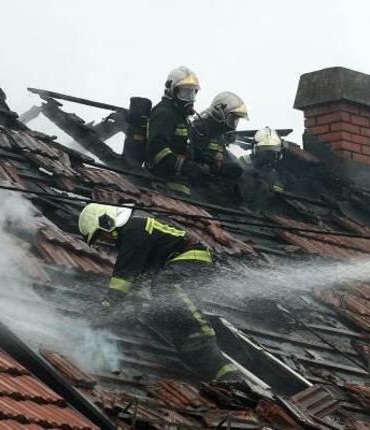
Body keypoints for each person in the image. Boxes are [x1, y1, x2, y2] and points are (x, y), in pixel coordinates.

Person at [77, 202, 242, 382]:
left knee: (165, 287)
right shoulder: (132, 234)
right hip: (178, 264)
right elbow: (137, 277)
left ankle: (200, 329)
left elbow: (124, 275)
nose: (105, 240)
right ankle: (223, 373)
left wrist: (107, 305)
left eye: (101, 234)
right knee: (180, 334)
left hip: (192, 256)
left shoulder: (133, 228)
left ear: (107, 221)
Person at [146, 66, 210, 196]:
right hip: (162, 185)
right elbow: (156, 148)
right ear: (172, 91)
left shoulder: (180, 117)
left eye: (192, 93)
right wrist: (187, 166)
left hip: (179, 187)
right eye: (185, 93)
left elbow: (184, 146)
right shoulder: (165, 112)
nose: (189, 98)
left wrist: (205, 158)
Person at [189, 91, 249, 180]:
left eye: (235, 120)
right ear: (220, 112)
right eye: (232, 119)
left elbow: (223, 155)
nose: (233, 124)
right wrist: (220, 167)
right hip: (196, 181)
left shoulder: (220, 135)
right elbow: (194, 156)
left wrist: (241, 168)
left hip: (209, 181)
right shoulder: (200, 127)